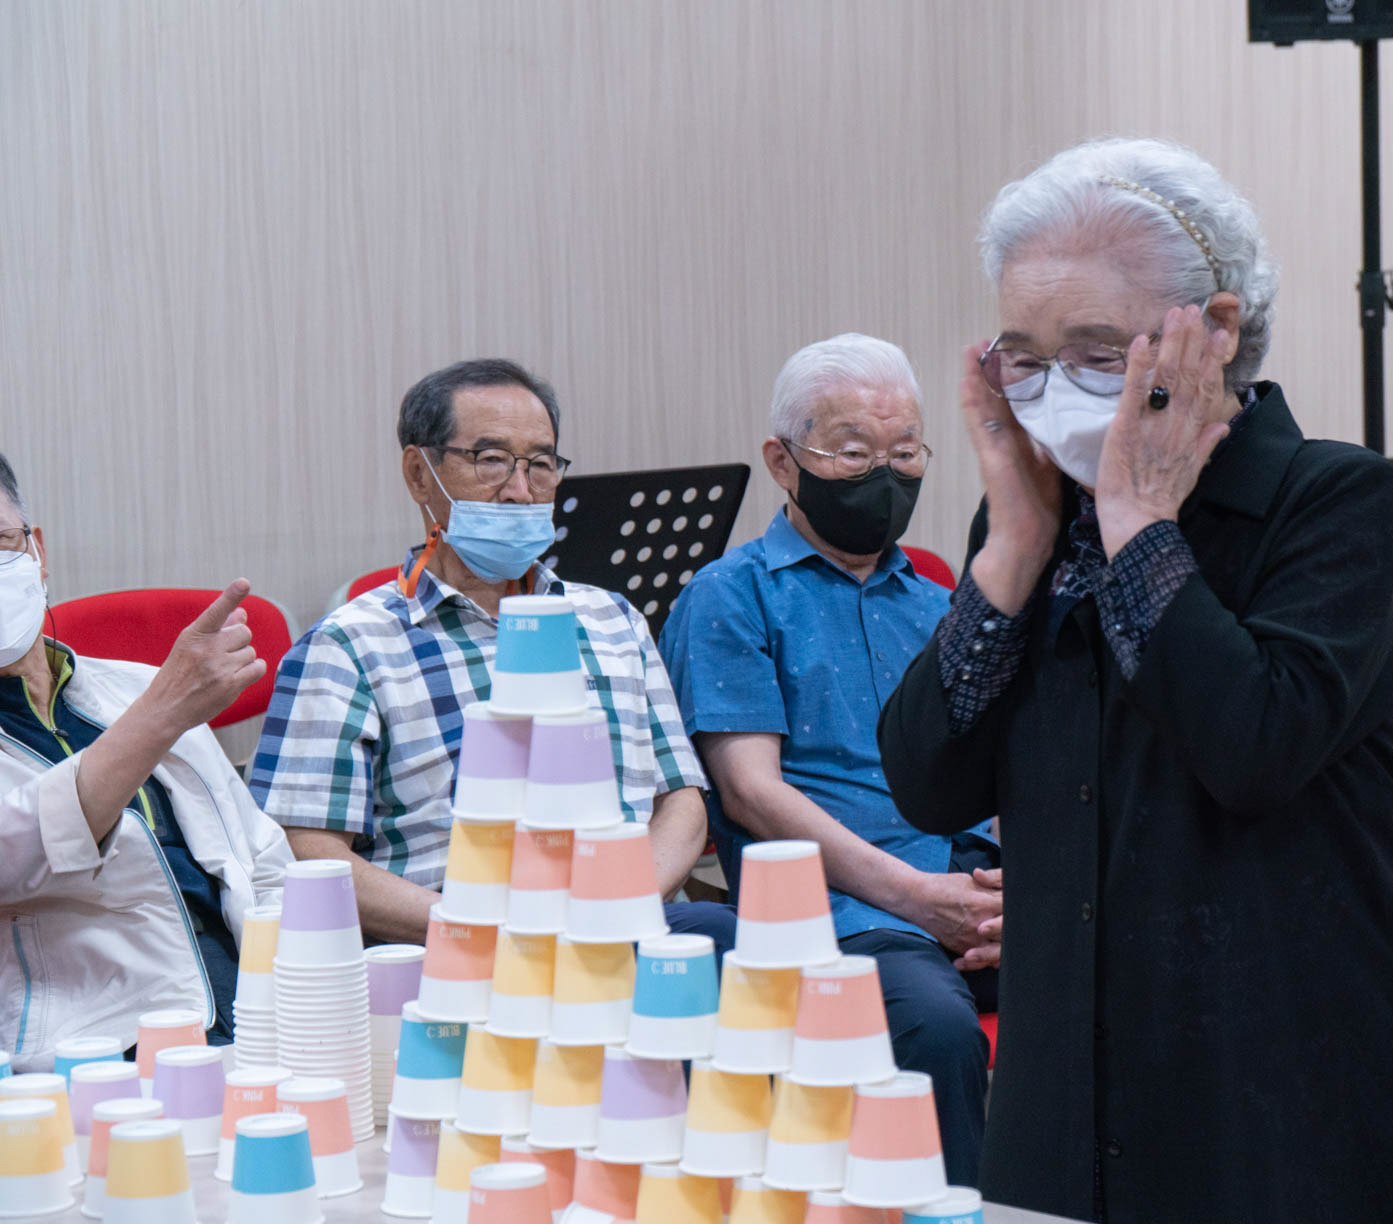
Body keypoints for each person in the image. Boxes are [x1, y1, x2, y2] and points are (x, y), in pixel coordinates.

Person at [877, 139, 1393, 1222]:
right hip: (1073, 1071)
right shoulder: (1033, 519)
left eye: (1098, 353)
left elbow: (1254, 747)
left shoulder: (1334, 500)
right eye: (1023, 358)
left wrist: (1139, 520)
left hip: (1288, 1069)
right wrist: (1011, 548)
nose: (1055, 392)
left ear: (1217, 331)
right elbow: (927, 781)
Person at [659, 334, 1000, 1187]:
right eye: (853, 453)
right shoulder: (729, 597)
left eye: (905, 453)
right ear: (783, 462)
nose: (884, 475)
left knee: (1158, 986)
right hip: (844, 912)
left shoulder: (942, 603)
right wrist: (922, 897)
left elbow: (1005, 771)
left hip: (971, 890)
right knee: (935, 1032)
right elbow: (751, 793)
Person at [249, 359, 732, 952]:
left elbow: (680, 801)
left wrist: (620, 908)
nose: (520, 491)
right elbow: (309, 852)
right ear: (419, 474)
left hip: (625, 923)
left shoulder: (614, 620)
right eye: (491, 459)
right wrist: (492, 928)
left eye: (541, 464)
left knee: (731, 940)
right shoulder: (348, 646)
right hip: (459, 945)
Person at [0, 453, 290, 1069]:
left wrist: (306, 992)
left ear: (37, 551)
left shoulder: (137, 688)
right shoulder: (161, 701)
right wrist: (160, 714)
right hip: (97, 1055)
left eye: (0, 543)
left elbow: (262, 858)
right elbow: (19, 847)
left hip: (260, 1013)